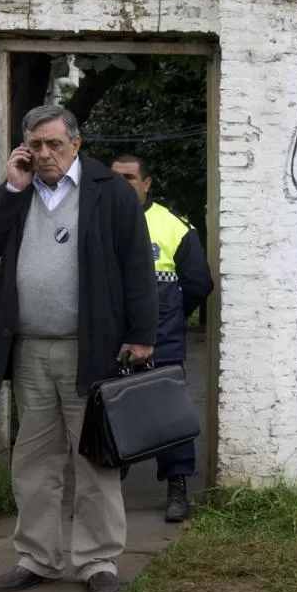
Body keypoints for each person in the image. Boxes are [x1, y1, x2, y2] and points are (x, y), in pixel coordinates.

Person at [0, 106, 157, 592]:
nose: (44, 154)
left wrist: (141, 334)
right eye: (35, 144)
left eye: (53, 144)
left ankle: (97, 561)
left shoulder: (109, 191)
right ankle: (37, 557)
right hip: (29, 349)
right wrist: (11, 187)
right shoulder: (19, 190)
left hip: (90, 349)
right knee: (33, 461)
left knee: (94, 459)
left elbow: (137, 265)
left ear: (76, 143)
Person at [110, 154, 213, 523]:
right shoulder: (96, 220)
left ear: (147, 182)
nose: (122, 184)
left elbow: (199, 283)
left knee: (168, 416)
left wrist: (166, 317)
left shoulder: (173, 226)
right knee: (110, 415)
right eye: (115, 177)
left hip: (161, 339)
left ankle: (177, 487)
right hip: (110, 340)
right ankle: (106, 494)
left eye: (129, 178)